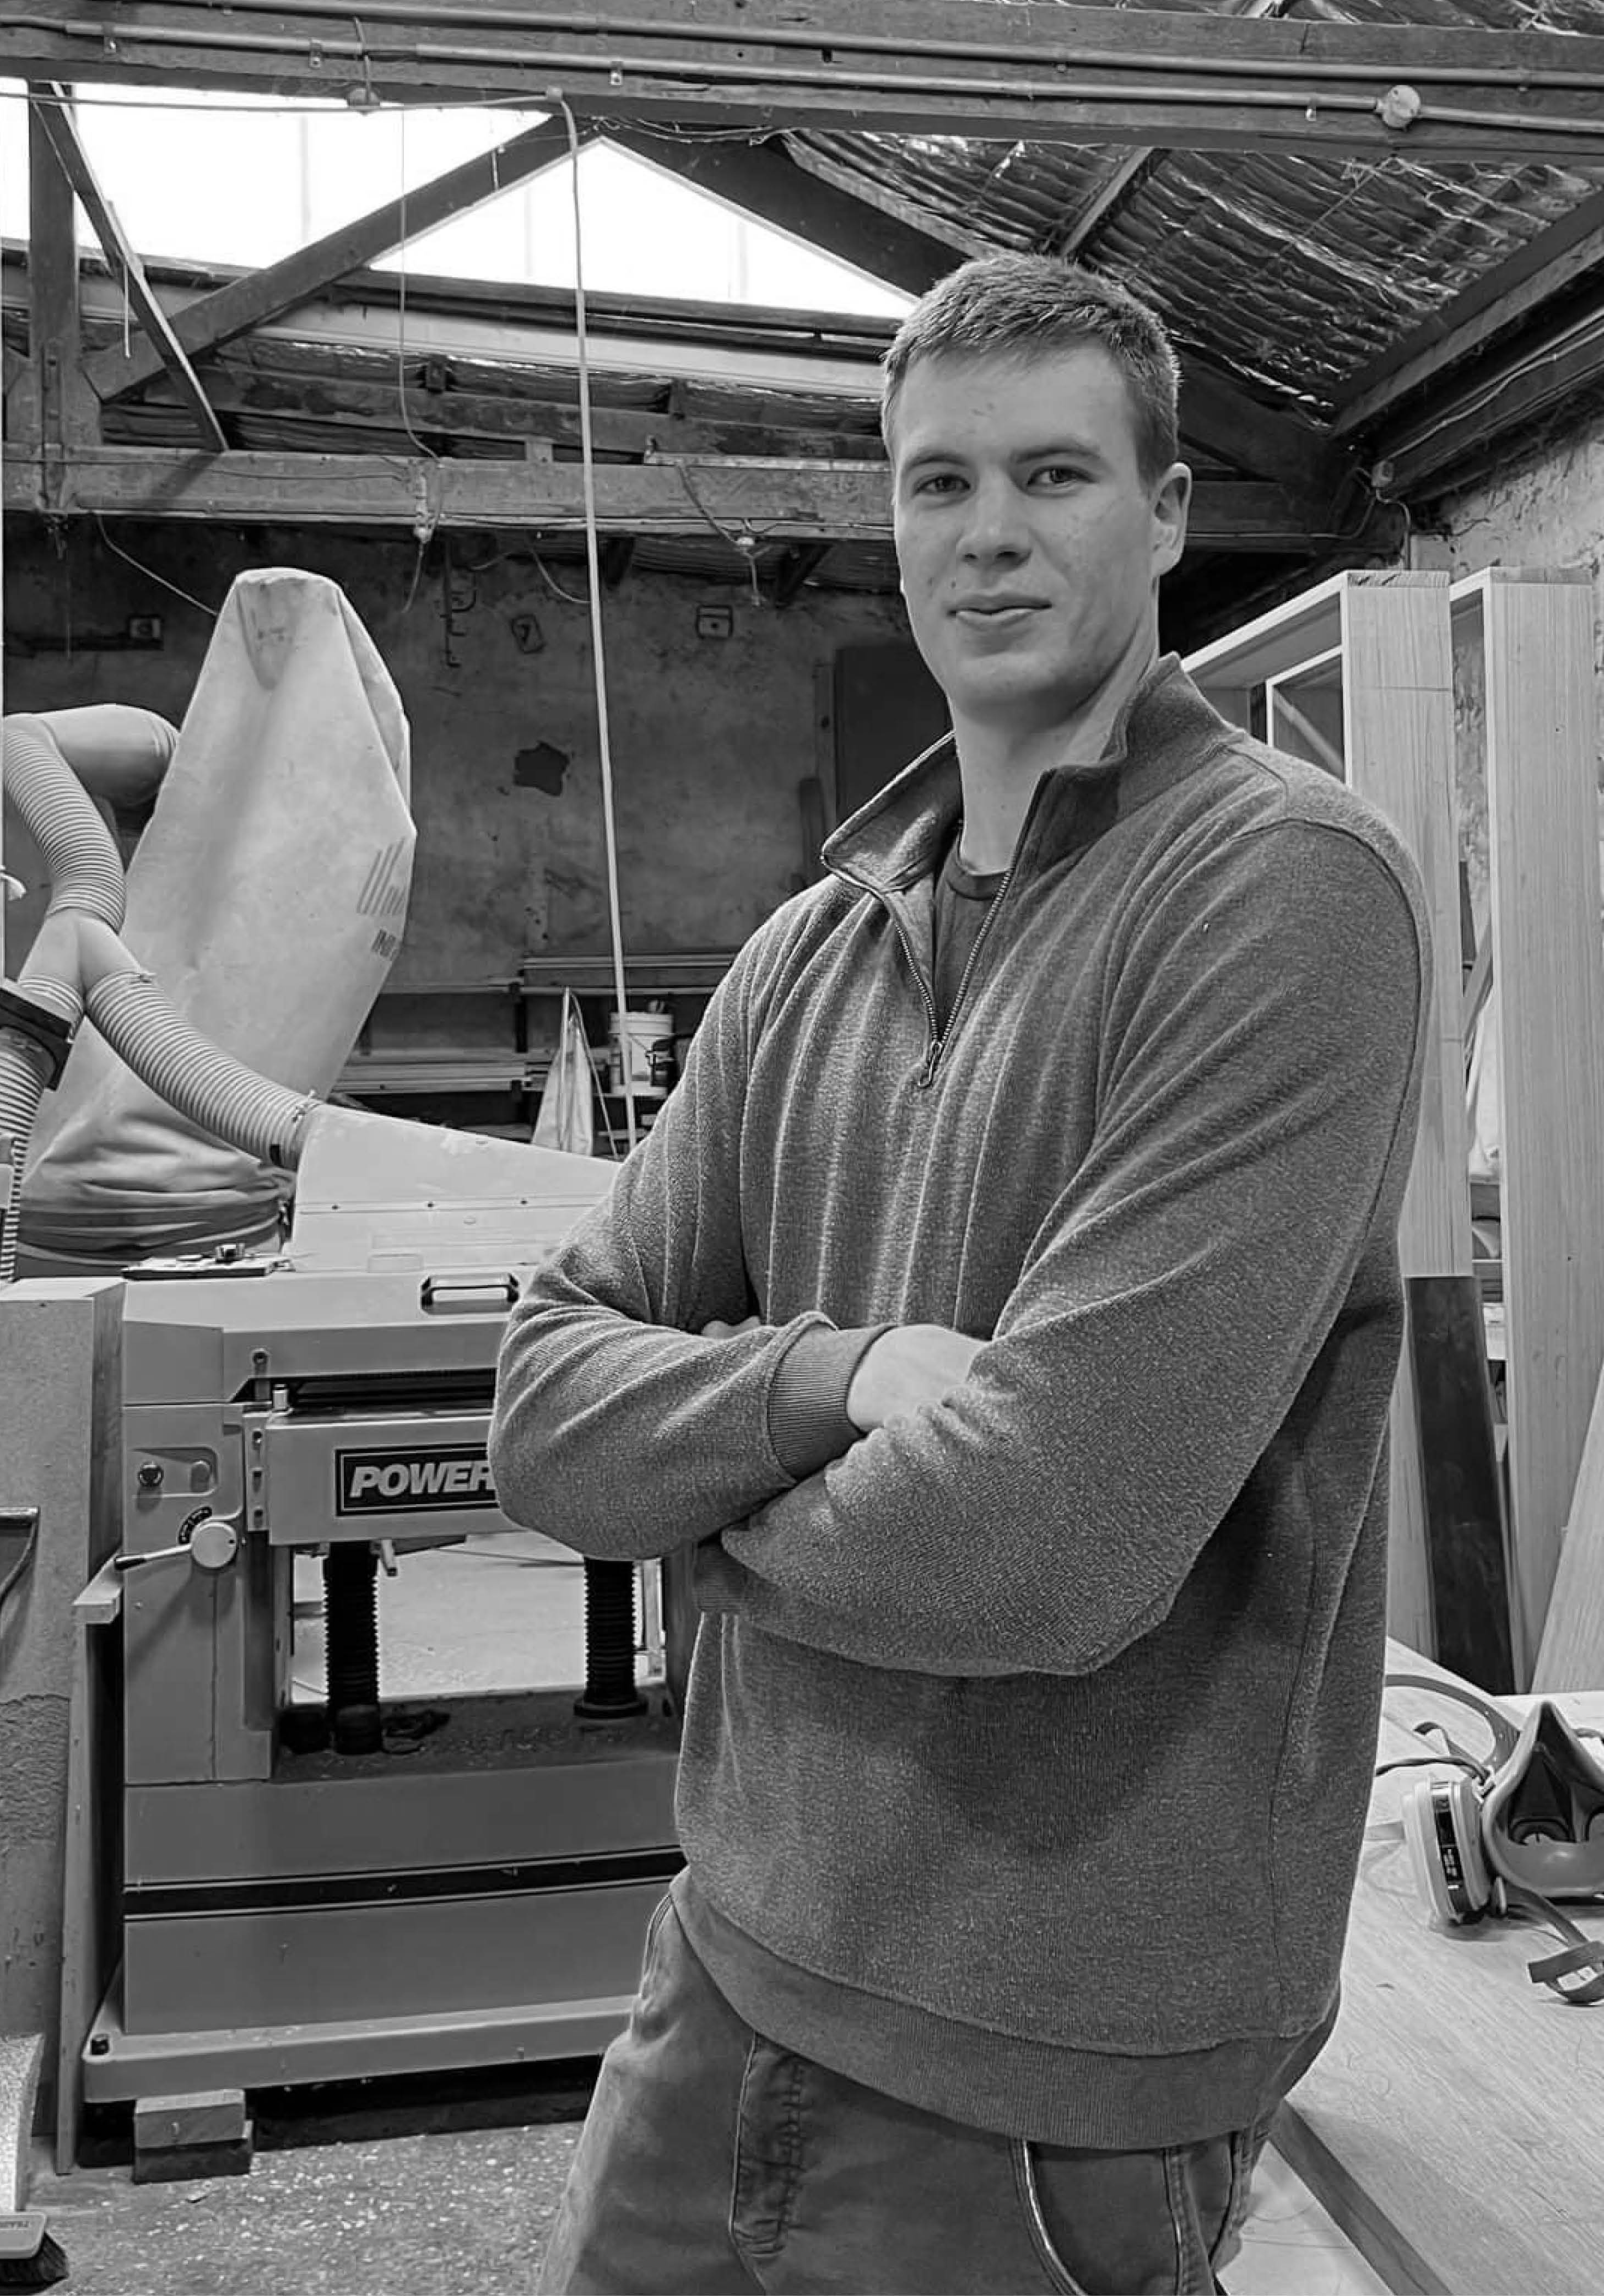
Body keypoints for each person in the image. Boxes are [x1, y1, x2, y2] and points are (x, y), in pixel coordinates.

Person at [492, 251, 1429, 2295]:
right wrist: (824, 1382)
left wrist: (689, 1521)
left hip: (1045, 2070)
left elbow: (1046, 1543)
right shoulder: (808, 950)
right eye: (939, 484)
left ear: (1165, 513)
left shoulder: (1280, 891)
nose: (988, 532)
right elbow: (543, 1404)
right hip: (725, 1961)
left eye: (1053, 476)